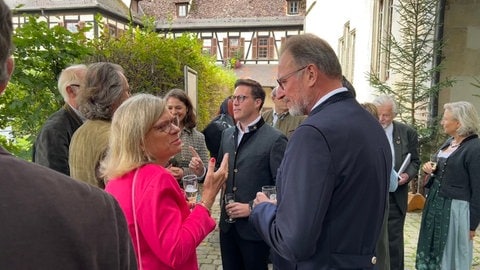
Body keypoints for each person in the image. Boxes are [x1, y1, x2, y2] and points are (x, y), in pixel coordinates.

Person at [0, 2, 136, 268]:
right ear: (8, 71)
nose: (94, 92)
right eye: (90, 86)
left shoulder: (84, 125)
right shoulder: (58, 130)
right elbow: (52, 183)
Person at [249, 33, 391, 269]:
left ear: (311, 74)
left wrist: (262, 209)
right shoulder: (369, 123)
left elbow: (293, 242)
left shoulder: (313, 134)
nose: (280, 93)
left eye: (283, 81)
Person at [101, 93, 229, 270]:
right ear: (139, 140)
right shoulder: (157, 178)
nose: (176, 129)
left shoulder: (118, 177)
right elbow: (176, 251)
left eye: (172, 121)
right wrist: (207, 200)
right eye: (163, 126)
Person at [217, 78, 287, 270]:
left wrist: (251, 207)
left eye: (241, 97)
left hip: (255, 230)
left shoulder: (275, 139)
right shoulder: (227, 135)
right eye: (234, 98)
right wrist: (203, 172)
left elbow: (282, 188)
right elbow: (221, 174)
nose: (235, 102)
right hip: (227, 227)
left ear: (258, 103)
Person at [416, 101, 480, 270]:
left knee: (452, 253)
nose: (442, 122)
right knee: (432, 247)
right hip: (436, 204)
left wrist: (472, 224)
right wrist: (429, 168)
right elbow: (442, 169)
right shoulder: (449, 142)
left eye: (445, 119)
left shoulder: (475, 148)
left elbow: (478, 188)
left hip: (455, 208)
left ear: (459, 122)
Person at [373, 95, 420, 270]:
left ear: (394, 115)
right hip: (372, 194)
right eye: (378, 114)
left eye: (386, 115)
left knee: (393, 241)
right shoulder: (367, 129)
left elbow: (415, 161)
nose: (381, 119)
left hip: (394, 195)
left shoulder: (406, 132)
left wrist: (407, 175)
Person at [69, 62, 130, 188]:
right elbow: (123, 192)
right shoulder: (115, 138)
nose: (129, 98)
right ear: (113, 96)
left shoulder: (80, 131)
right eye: (126, 91)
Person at [32, 64, 87, 176]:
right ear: (71, 91)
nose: (97, 91)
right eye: (90, 86)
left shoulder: (89, 120)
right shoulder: (54, 130)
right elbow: (53, 180)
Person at [165, 88, 209, 182]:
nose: (173, 112)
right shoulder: (157, 135)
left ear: (187, 109)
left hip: (189, 193)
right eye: (169, 108)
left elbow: (205, 172)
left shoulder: (198, 137)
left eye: (178, 108)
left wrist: (184, 173)